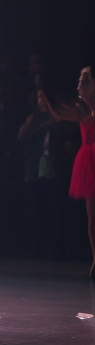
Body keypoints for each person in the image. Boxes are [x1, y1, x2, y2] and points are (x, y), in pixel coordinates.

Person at [42, 65, 95, 278]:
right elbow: (59, 112)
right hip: (90, 161)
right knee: (92, 213)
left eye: (84, 81)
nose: (79, 85)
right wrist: (45, 94)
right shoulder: (82, 109)